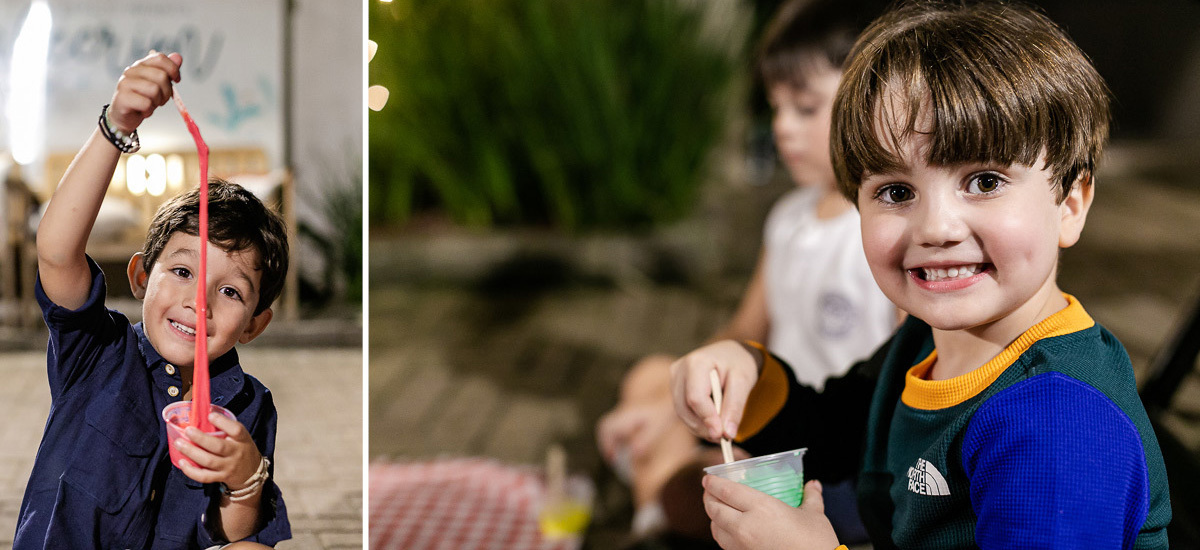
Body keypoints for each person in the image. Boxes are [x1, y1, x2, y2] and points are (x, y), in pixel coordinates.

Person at [670, 2, 1172, 548]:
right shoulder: (926, 344)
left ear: (1070, 203)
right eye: (896, 192)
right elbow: (835, 429)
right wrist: (745, 374)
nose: (936, 228)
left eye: (984, 181)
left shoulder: (1057, 427)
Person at [595, 0, 894, 542]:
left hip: (829, 452)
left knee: (688, 486)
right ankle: (659, 501)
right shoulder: (787, 220)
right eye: (775, 109)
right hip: (767, 413)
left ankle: (659, 507)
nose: (782, 128)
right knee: (653, 376)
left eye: (805, 108)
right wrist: (679, 399)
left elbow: (896, 376)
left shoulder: (882, 233)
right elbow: (742, 333)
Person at [14, 51, 291, 548]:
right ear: (141, 275)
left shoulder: (250, 406)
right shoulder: (97, 351)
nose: (198, 302)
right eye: (182, 271)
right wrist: (115, 126)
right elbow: (56, 253)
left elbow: (229, 536)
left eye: (229, 291)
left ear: (255, 324)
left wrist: (246, 481)